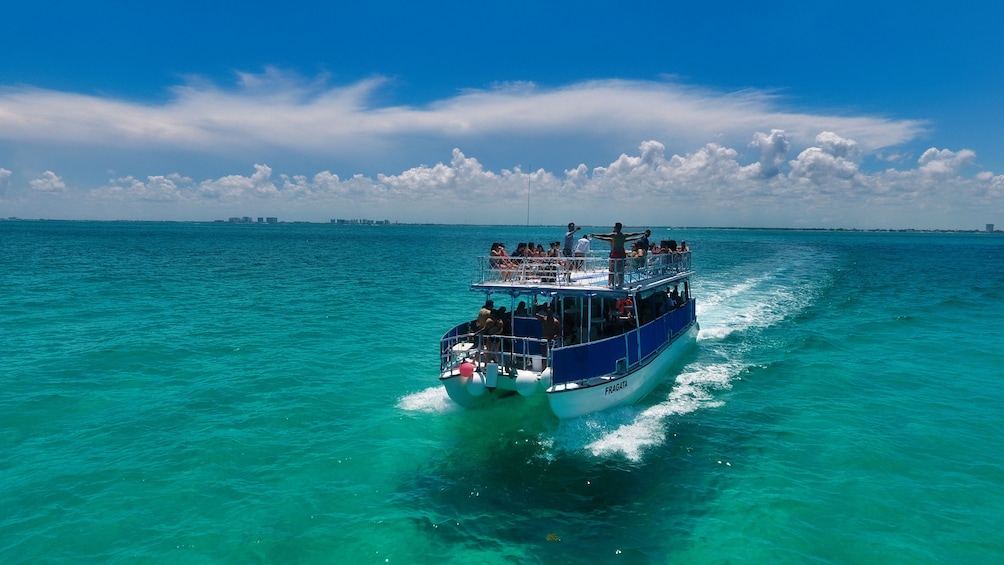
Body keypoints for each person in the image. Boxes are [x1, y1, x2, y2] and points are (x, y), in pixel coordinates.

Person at [590, 223, 645, 287]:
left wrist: (595, 235)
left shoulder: (614, 235)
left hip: (615, 254)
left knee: (612, 270)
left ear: (616, 228)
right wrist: (641, 233)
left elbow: (604, 236)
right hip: (621, 254)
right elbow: (632, 235)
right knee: (620, 270)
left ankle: (611, 283)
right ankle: (619, 284)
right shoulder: (623, 236)